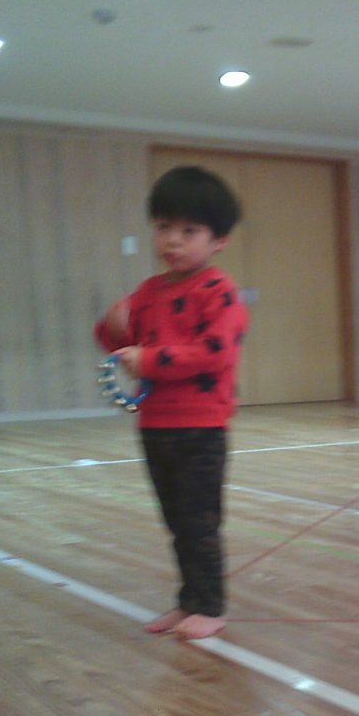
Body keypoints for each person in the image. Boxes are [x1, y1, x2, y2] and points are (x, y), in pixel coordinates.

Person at [94, 166, 248, 641]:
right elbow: (118, 342)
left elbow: (213, 353)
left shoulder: (219, 292)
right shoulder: (149, 291)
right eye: (163, 227)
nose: (173, 241)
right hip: (155, 426)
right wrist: (114, 327)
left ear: (218, 240)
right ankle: (189, 601)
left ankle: (211, 607)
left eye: (189, 230)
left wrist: (149, 359)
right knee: (177, 522)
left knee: (200, 522)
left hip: (201, 428)